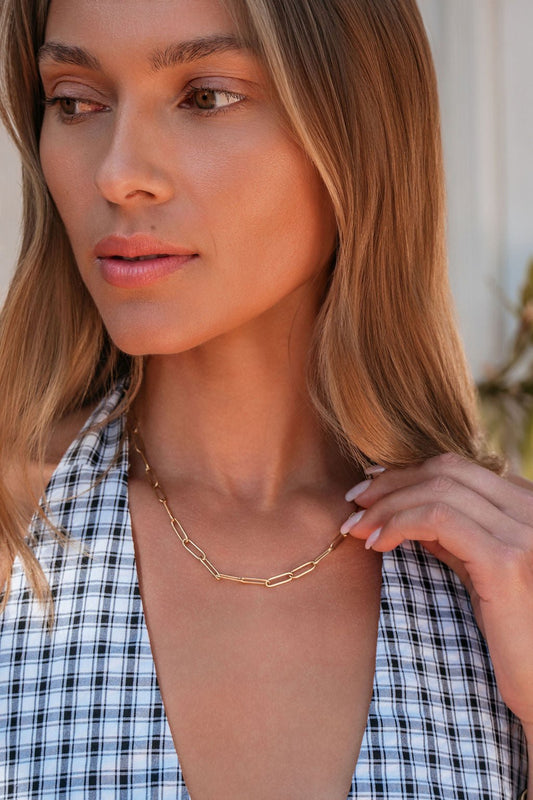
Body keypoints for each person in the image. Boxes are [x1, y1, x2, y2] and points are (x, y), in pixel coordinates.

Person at [0, 0, 531, 797]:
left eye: (205, 96)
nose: (117, 173)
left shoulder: (501, 575)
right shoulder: (10, 533)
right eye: (75, 101)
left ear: (355, 126)